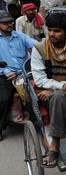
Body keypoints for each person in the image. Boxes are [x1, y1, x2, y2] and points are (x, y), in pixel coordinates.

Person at [31, 12, 66, 167]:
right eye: (50, 30)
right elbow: (40, 79)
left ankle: (54, 146)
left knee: (61, 99)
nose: (52, 34)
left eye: (57, 31)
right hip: (46, 94)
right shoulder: (39, 48)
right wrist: (64, 87)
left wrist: (63, 89)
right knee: (61, 99)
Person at [0, 10, 36, 141]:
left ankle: (35, 120)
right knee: (4, 98)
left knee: (36, 93)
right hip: (6, 74)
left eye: (10, 22)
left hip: (24, 73)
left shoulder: (20, 36)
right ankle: (1, 127)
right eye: (5, 23)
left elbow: (37, 45)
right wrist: (5, 71)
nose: (9, 24)